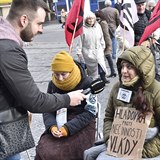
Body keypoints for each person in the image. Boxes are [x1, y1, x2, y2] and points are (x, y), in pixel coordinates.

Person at [0, 0, 86, 159]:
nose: (41, 30)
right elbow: (35, 101)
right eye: (39, 23)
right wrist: (68, 98)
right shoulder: (7, 48)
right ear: (24, 20)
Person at [84, 46, 160, 160]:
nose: (123, 71)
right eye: (122, 66)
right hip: (118, 146)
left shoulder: (156, 90)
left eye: (129, 67)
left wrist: (143, 151)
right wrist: (111, 140)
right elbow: (109, 117)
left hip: (148, 148)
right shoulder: (117, 88)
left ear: (141, 69)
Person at [35, 51, 97, 160]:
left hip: (82, 123)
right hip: (58, 122)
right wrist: (51, 127)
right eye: (56, 74)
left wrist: (68, 129)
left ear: (71, 71)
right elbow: (47, 109)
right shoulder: (52, 84)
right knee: (44, 149)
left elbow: (90, 112)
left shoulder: (87, 83)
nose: (60, 78)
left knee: (69, 151)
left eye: (63, 74)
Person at [77, 11, 110, 84]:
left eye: (92, 19)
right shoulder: (82, 29)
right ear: (86, 20)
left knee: (101, 65)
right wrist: (79, 53)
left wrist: (103, 46)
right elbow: (79, 42)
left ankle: (103, 77)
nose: (91, 20)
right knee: (92, 69)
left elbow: (101, 37)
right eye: (89, 19)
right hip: (88, 52)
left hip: (98, 50)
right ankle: (94, 80)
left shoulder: (98, 26)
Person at [95, 10, 116, 78]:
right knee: (107, 57)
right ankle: (112, 72)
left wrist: (107, 45)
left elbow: (106, 34)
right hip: (105, 42)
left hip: (105, 42)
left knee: (107, 57)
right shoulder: (102, 22)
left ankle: (112, 72)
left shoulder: (102, 23)